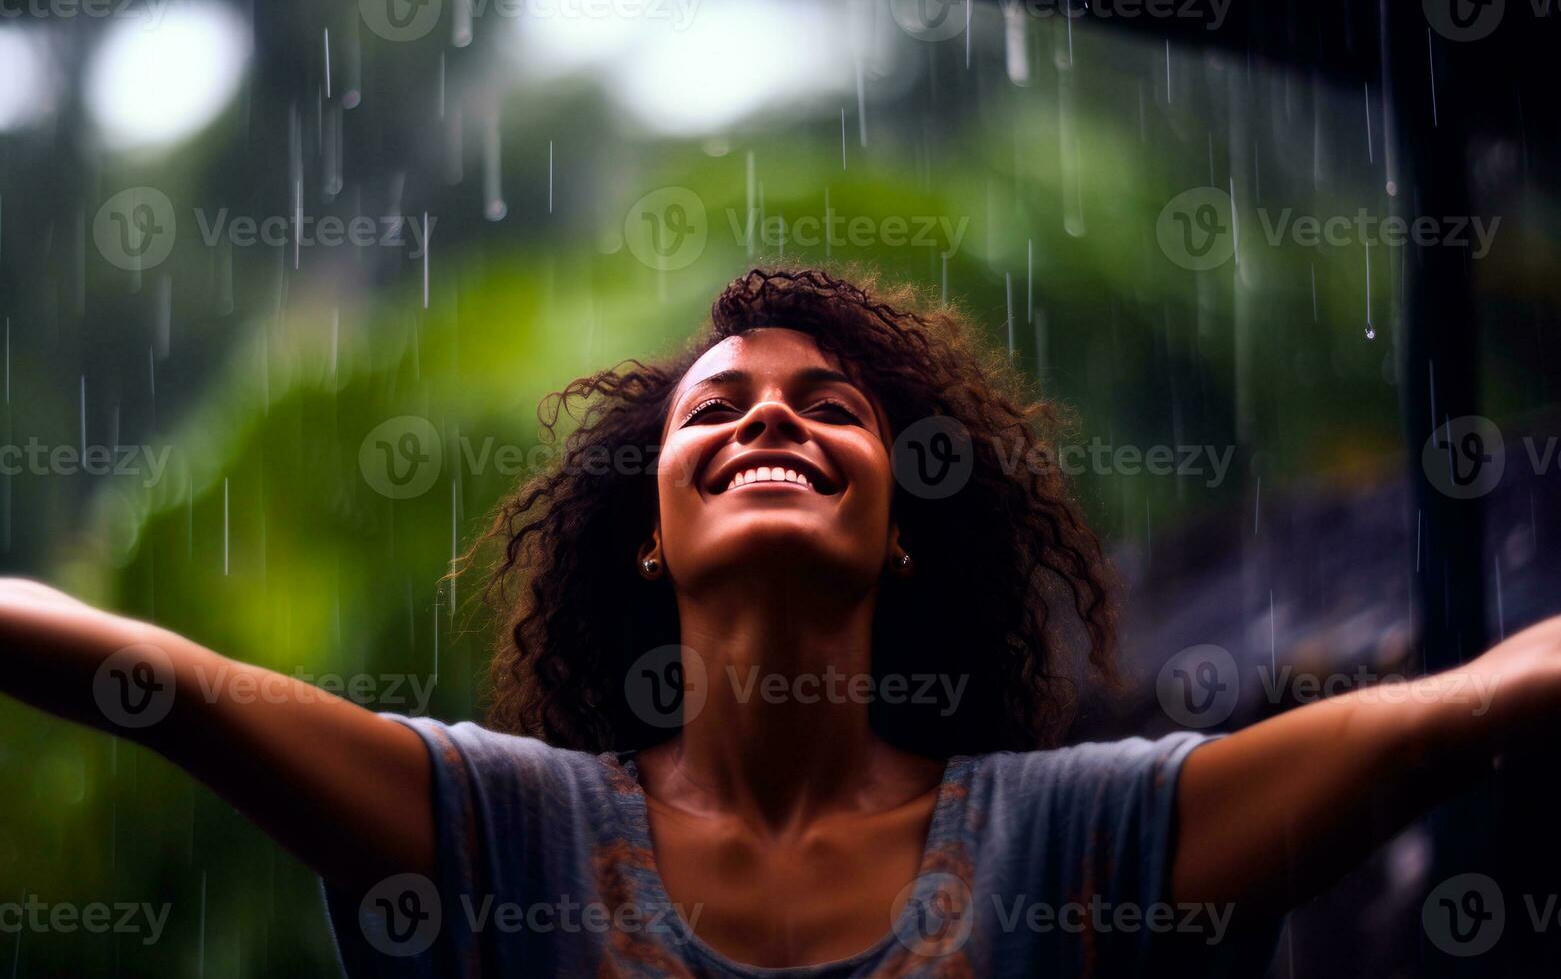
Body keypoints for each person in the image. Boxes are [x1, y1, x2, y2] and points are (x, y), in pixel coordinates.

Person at [1, 267, 1553, 977]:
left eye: (831, 408)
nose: (771, 423)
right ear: (648, 544)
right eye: (717, 407)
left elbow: (1454, 710)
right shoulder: (498, 836)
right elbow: (152, 678)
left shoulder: (1078, 845)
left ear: (895, 533)